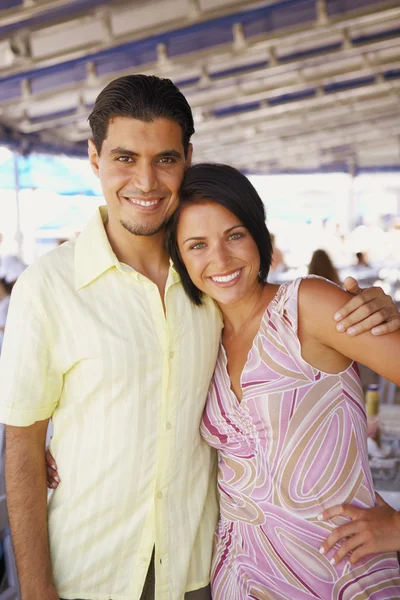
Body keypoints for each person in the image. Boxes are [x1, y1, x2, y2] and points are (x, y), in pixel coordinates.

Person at [0, 76, 399, 600]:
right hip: (94, 572)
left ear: (187, 157)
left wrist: (382, 307)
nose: (145, 181)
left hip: (205, 575)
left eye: (164, 159)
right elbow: (23, 445)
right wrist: (35, 590)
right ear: (94, 157)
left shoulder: (213, 286)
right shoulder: (48, 286)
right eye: (124, 158)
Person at [164, 163, 400, 598]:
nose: (220, 259)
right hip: (238, 579)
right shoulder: (200, 336)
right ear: (180, 259)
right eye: (197, 245)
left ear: (259, 235)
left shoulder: (307, 306)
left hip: (340, 577)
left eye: (234, 235)